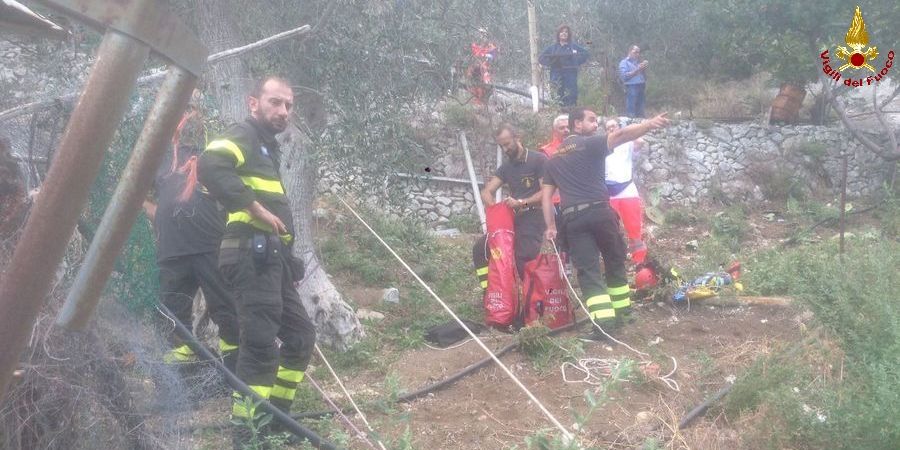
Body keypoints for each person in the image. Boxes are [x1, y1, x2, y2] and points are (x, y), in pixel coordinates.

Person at [198, 76, 316, 440]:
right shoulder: (245, 135)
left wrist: (290, 261)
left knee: (300, 336)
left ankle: (279, 420)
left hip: (271, 258)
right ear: (254, 104)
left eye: (288, 105)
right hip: (251, 252)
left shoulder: (266, 147)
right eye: (275, 102)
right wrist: (254, 208)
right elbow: (210, 164)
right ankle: (248, 435)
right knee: (261, 344)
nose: (283, 111)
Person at [541, 107, 668, 336]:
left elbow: (546, 198)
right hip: (601, 213)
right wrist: (648, 124)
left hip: (573, 219)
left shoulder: (552, 161)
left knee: (589, 271)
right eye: (591, 120)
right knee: (614, 261)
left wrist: (550, 226)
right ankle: (622, 313)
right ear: (576, 125)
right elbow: (621, 135)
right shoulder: (590, 144)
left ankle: (603, 324)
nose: (595, 124)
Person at [143, 107, 240, 372]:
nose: (189, 122)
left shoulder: (212, 156)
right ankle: (180, 382)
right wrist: (162, 215)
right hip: (172, 251)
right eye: (185, 116)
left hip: (210, 246)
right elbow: (140, 194)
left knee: (227, 309)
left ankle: (237, 377)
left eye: (194, 118)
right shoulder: (160, 158)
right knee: (170, 314)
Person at [480, 124, 548, 278]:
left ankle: (531, 298)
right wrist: (496, 212)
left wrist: (521, 203)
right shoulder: (506, 167)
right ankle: (492, 293)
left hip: (534, 216)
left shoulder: (538, 160)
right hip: (512, 219)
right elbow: (486, 192)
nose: (505, 150)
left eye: (507, 144)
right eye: (501, 146)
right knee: (481, 249)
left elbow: (546, 192)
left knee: (524, 259)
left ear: (518, 138)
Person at [604, 118, 647, 264]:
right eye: (608, 127)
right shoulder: (602, 146)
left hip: (627, 190)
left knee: (634, 227)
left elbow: (640, 142)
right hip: (608, 192)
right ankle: (614, 259)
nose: (611, 129)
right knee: (609, 229)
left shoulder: (628, 143)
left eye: (614, 126)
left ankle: (639, 261)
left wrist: (628, 133)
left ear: (619, 127)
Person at [539, 25, 589, 106]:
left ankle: (570, 113)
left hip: (570, 76)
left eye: (566, 32)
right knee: (557, 96)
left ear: (569, 34)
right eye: (562, 32)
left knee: (571, 95)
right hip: (556, 75)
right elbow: (541, 58)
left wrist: (576, 62)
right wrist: (551, 62)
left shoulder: (574, 46)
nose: (564, 33)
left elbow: (585, 54)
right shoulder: (552, 48)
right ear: (558, 34)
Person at [539, 114, 569, 211]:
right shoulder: (546, 152)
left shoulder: (581, 146)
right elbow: (544, 182)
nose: (566, 130)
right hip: (557, 201)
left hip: (578, 198)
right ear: (555, 131)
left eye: (568, 127)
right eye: (562, 128)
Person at [467, 28, 498, 105]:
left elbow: (493, 55)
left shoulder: (490, 46)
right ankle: (476, 102)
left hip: (485, 68)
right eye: (480, 34)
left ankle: (483, 102)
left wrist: (485, 56)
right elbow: (470, 54)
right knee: (473, 85)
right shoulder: (474, 45)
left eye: (483, 34)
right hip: (475, 67)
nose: (481, 36)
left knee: (484, 85)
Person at [618, 45, 649, 118]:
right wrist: (637, 69)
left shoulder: (638, 62)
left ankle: (641, 120)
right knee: (631, 106)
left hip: (641, 85)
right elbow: (624, 76)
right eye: (635, 52)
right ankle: (631, 120)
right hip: (631, 86)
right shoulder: (624, 62)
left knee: (641, 106)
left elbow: (644, 76)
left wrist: (643, 68)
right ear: (629, 52)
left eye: (638, 53)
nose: (637, 54)